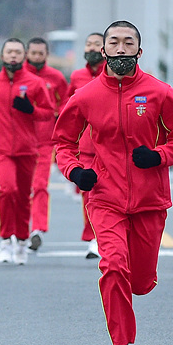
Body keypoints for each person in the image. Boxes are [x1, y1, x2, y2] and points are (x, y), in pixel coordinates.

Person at [53, 21, 173, 345]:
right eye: (113, 42)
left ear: (138, 51)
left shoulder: (161, 93)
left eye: (127, 42)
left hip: (150, 200)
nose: (120, 48)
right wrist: (75, 172)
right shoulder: (85, 97)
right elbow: (63, 143)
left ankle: (139, 283)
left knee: (141, 281)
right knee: (114, 265)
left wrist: (158, 156)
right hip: (104, 197)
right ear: (103, 51)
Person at [0, 38, 55, 266]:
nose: (13, 55)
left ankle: (21, 242)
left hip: (27, 148)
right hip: (1, 148)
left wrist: (31, 110)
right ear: (2, 56)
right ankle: (4, 241)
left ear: (24, 56)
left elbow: (48, 112)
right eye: (9, 52)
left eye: (17, 52)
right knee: (7, 190)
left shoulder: (34, 83)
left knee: (23, 196)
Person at [24, 37, 69, 251]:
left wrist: (60, 117)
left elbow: (66, 103)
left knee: (40, 185)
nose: (37, 57)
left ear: (47, 54)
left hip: (44, 142)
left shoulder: (56, 78)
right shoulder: (16, 77)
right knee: (16, 189)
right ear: (27, 54)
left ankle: (38, 229)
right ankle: (16, 231)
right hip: (19, 142)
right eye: (33, 53)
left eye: (41, 53)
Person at [65, 32, 106, 259]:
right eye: (88, 44)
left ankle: (109, 236)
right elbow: (68, 108)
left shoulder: (112, 75)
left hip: (111, 147)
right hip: (86, 147)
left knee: (111, 194)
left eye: (96, 44)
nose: (91, 48)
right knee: (88, 195)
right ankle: (93, 239)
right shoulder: (77, 76)